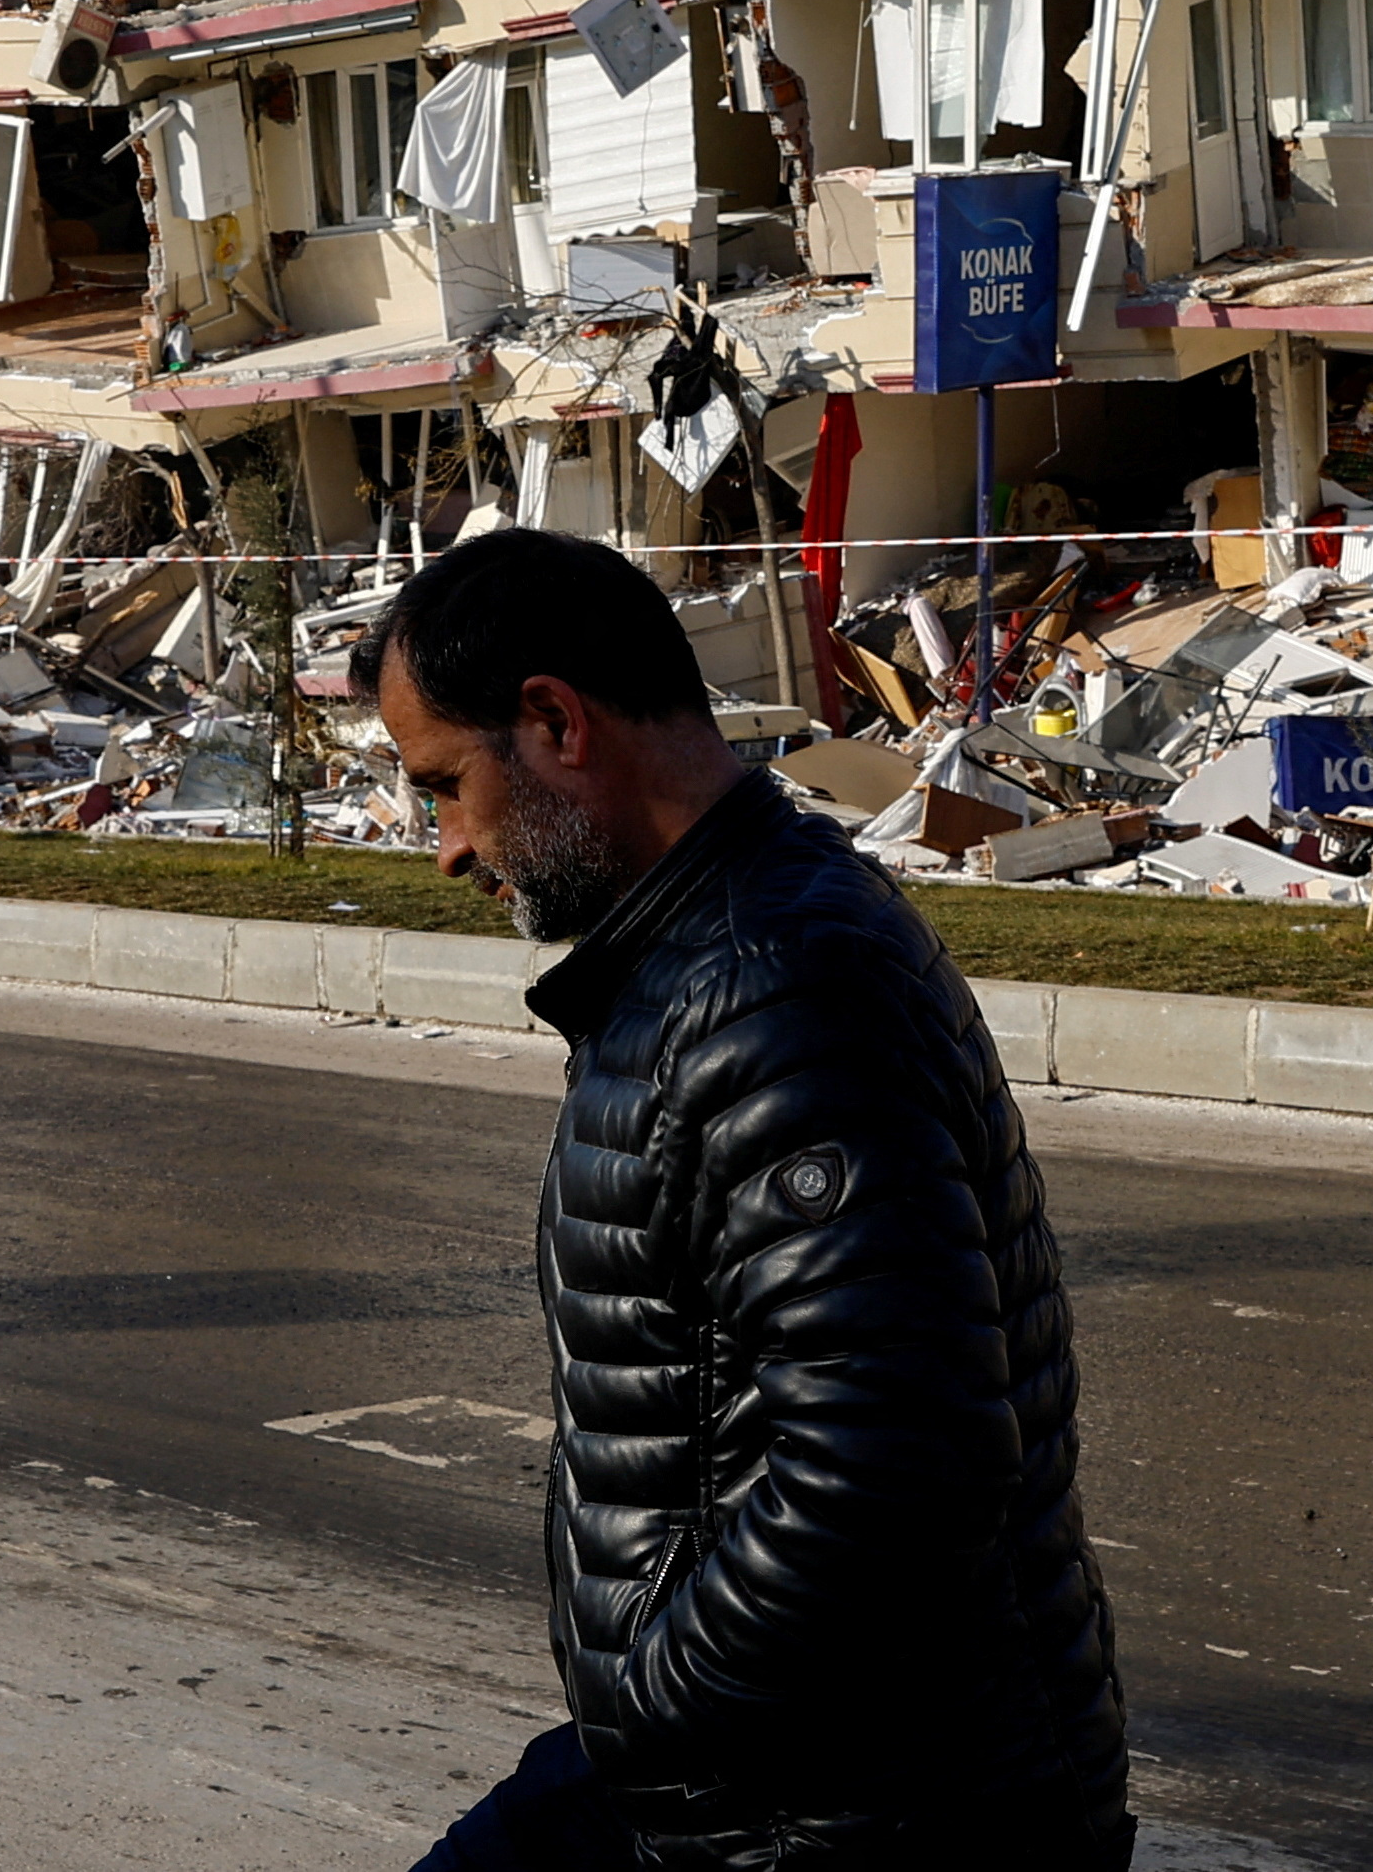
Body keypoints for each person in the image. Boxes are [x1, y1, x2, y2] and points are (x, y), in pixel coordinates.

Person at [360, 528, 1130, 1872]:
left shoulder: (770, 985)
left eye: (448, 788)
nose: (448, 848)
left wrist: (656, 1699)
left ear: (555, 722)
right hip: (758, 1774)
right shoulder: (714, 948)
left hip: (855, 1813)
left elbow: (894, 1464)